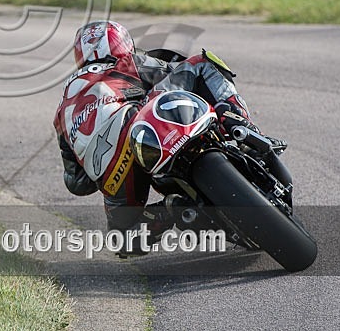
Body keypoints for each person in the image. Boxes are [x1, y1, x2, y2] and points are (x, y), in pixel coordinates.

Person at [53, 20, 287, 253]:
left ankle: (169, 210)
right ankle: (242, 125)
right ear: (122, 44)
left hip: (115, 177)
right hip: (141, 131)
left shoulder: (62, 109)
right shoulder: (127, 62)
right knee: (203, 63)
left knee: (121, 240)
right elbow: (176, 71)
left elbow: (78, 184)